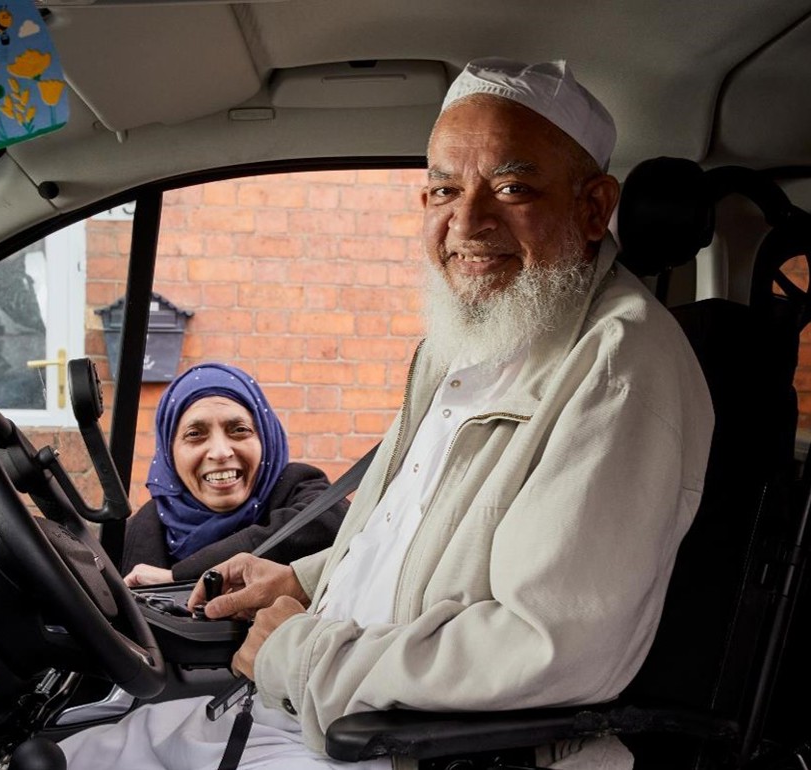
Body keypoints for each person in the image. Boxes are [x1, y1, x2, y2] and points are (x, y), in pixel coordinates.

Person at [62, 58, 714, 770]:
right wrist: (302, 581)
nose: (467, 222)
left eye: (512, 188)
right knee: (68, 748)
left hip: (410, 748)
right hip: (327, 710)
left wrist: (300, 653)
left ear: (592, 208)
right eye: (444, 190)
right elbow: (409, 543)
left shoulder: (618, 366)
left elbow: (550, 646)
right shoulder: (468, 342)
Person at [121, 362, 348, 586]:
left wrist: (178, 578)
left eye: (239, 430)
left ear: (265, 438)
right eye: (195, 434)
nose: (220, 452)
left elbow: (332, 523)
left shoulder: (297, 487)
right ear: (168, 452)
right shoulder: (129, 536)